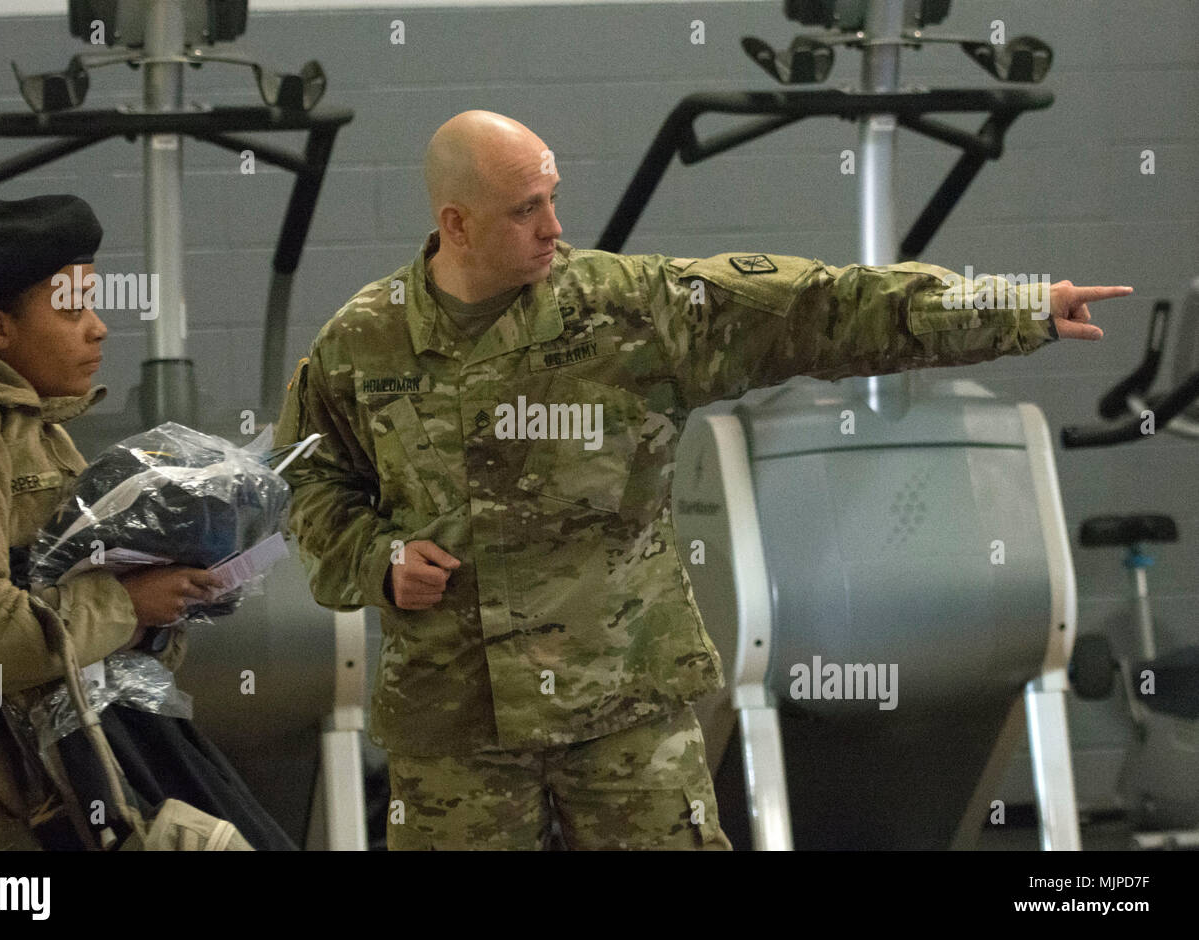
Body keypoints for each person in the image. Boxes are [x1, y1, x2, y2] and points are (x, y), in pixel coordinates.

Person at [274, 110, 1132, 850]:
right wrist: (376, 560)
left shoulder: (627, 311)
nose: (553, 227)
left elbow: (822, 309)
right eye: (524, 209)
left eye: (553, 198)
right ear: (456, 226)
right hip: (455, 723)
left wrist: (1013, 308)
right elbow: (308, 489)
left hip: (624, 710)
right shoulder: (363, 345)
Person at [0, 195, 291, 851]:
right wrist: (126, 602)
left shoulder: (37, 431)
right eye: (71, 309)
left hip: (60, 795)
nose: (98, 327)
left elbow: (80, 620)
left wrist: (169, 602)